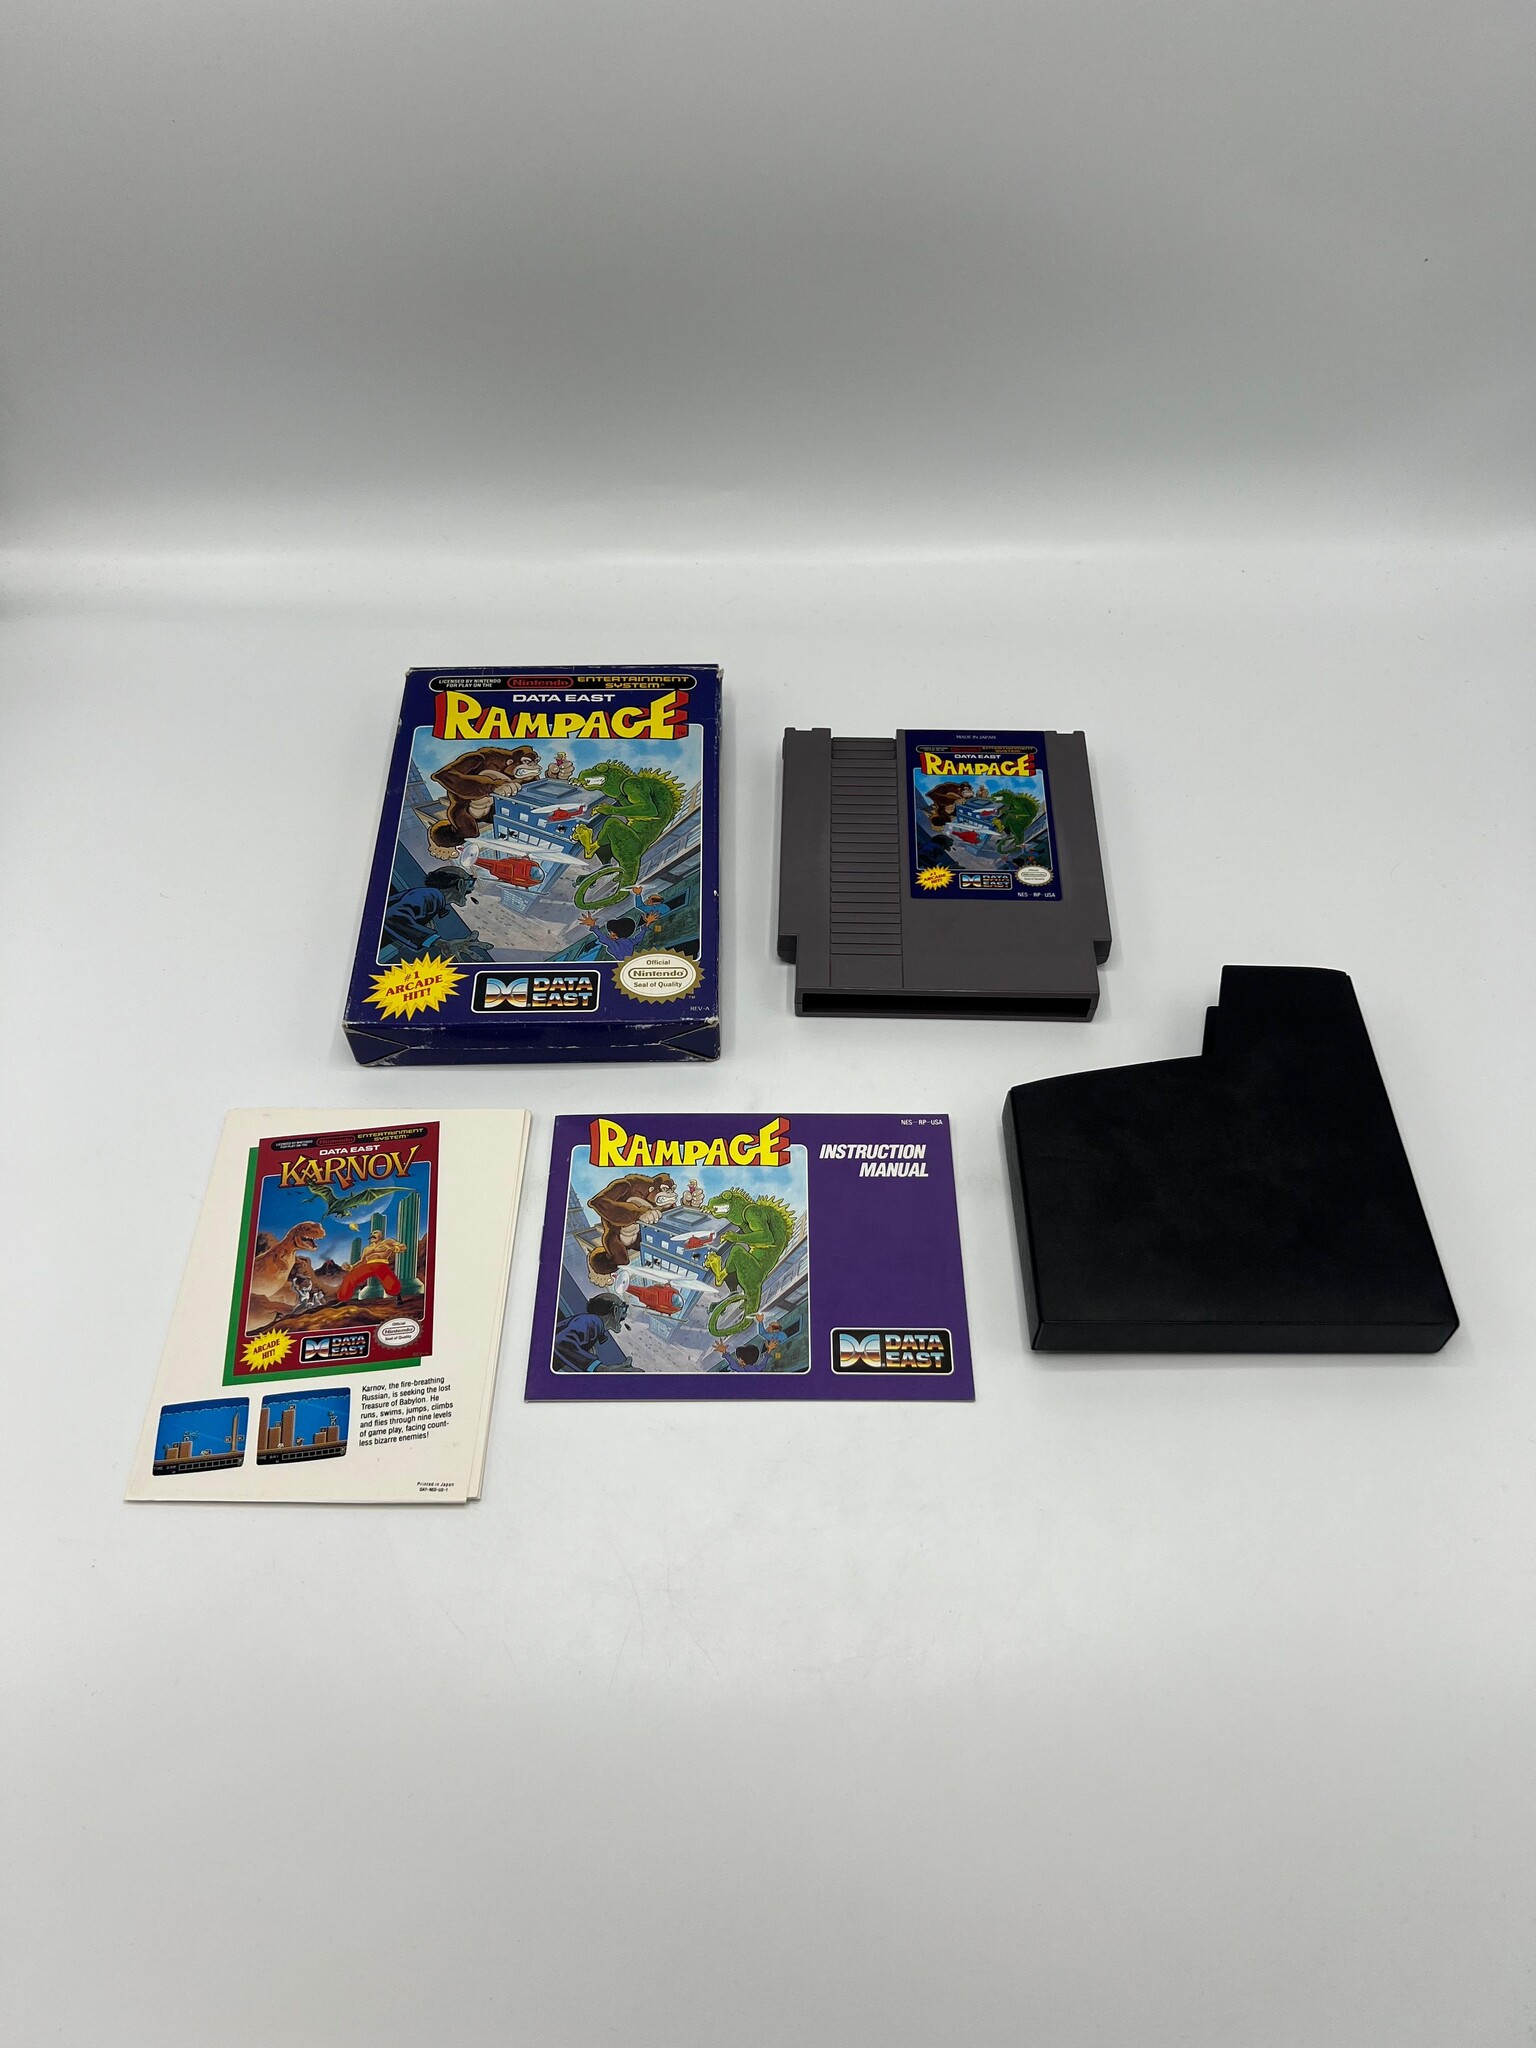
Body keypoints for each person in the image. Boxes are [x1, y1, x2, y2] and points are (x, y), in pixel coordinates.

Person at [552, 1294, 630, 1372]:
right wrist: (599, 1368)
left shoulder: (592, 1325)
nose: (625, 1314)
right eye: (624, 1309)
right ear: (615, 1310)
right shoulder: (593, 1321)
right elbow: (560, 1342)